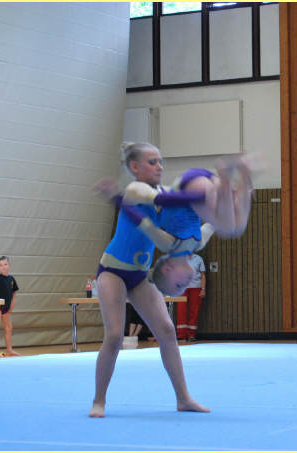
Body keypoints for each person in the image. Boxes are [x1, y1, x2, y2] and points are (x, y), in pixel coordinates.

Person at [90, 142, 210, 418]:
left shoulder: (164, 193)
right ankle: (99, 400)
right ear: (135, 167)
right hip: (113, 270)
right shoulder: (136, 190)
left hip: (140, 274)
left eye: (160, 161)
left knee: (167, 330)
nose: (159, 166)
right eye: (152, 162)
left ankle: (183, 398)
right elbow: (165, 200)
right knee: (114, 335)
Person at [99, 154, 254, 296]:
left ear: (167, 269)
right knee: (237, 226)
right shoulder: (197, 245)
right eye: (184, 288)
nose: (186, 284)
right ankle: (244, 174)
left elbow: (143, 222)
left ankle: (226, 176)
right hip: (204, 183)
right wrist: (237, 202)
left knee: (228, 228)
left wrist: (117, 199)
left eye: (179, 285)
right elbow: (211, 226)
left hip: (188, 186)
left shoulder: (168, 245)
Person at [0, 256, 20, 357]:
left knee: (8, 328)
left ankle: (9, 350)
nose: (3, 267)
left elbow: (14, 294)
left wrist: (12, 305)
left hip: (6, 307)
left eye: (5, 264)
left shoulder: (11, 279)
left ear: (9, 265)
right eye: (1, 265)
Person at [176, 254, 206, 341]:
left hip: (196, 288)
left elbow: (203, 275)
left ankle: (191, 335)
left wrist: (203, 289)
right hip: (182, 288)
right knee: (181, 310)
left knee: (194, 310)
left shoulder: (199, 258)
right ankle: (181, 335)